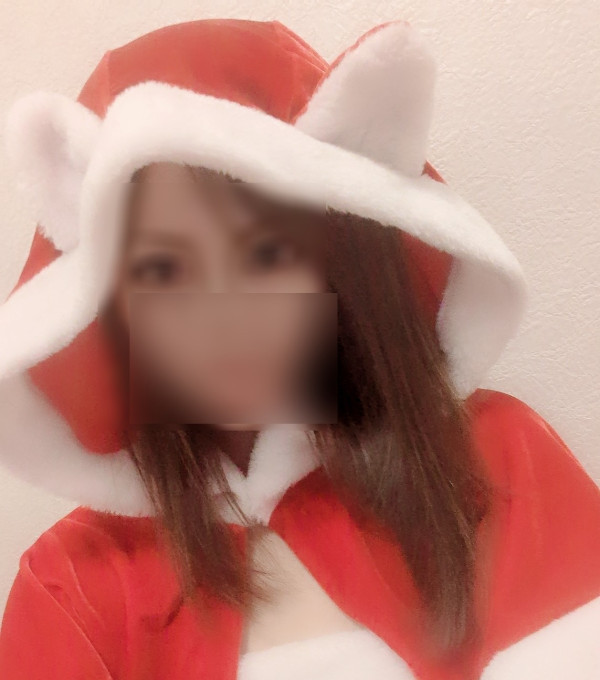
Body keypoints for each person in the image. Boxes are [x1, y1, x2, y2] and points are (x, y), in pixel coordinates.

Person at [0, 17, 599, 680]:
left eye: (265, 253)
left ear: (336, 259)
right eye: (164, 270)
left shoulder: (497, 462)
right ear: (110, 309)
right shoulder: (71, 585)